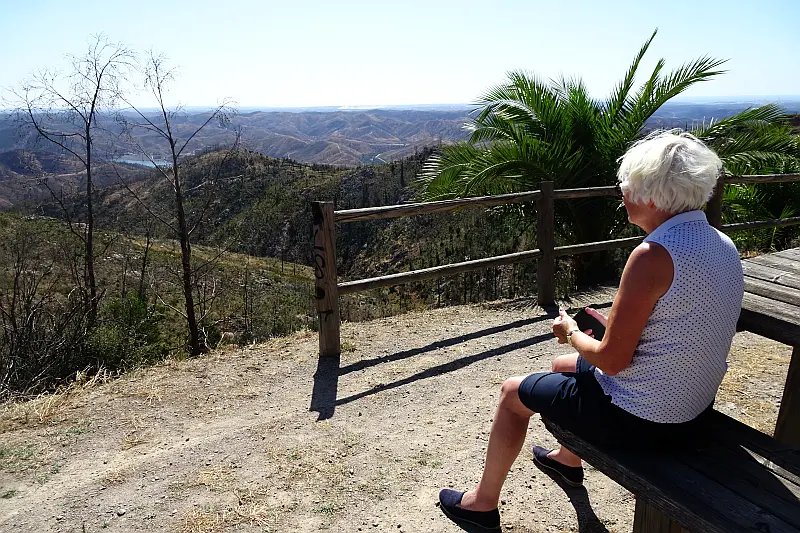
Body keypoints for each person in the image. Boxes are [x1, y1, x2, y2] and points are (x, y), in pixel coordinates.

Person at [438, 131, 745, 531]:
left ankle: (481, 504)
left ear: (653, 196)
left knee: (513, 392)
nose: (622, 194)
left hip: (645, 422)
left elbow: (613, 362)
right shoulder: (722, 244)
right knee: (562, 366)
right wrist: (596, 337)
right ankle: (568, 461)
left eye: (628, 187)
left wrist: (571, 331)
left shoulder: (652, 256)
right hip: (692, 407)